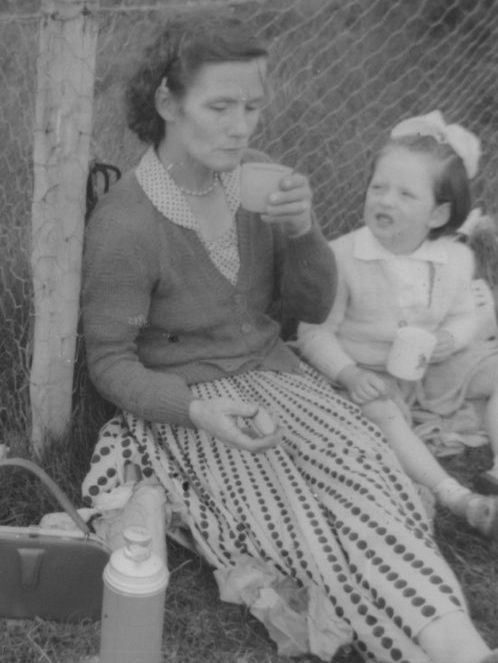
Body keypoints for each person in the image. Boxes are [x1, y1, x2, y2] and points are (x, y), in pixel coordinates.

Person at [81, 13, 498, 663]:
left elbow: (306, 307)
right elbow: (109, 360)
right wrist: (197, 411)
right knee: (303, 522)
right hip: (191, 398)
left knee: (371, 479)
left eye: (251, 105)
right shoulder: (126, 223)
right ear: (167, 101)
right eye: (220, 106)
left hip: (280, 376)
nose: (242, 126)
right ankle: (439, 646)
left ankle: (457, 641)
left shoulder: (261, 177)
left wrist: (304, 230)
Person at [298, 111, 498, 540]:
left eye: (406, 194)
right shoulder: (344, 257)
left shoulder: (455, 258)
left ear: (438, 213)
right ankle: (459, 498)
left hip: (431, 369)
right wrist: (349, 373)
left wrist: (451, 337)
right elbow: (314, 332)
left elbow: (471, 313)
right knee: (382, 414)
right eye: (378, 188)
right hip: (367, 374)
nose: (385, 201)